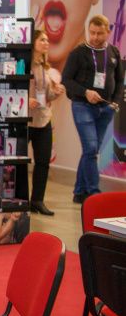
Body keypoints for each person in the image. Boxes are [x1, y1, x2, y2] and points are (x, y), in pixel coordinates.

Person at [62, 14, 124, 203]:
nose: (95, 37)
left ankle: (79, 192)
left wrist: (115, 102)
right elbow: (66, 80)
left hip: (106, 109)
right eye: (92, 33)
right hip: (83, 106)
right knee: (90, 148)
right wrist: (85, 92)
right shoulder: (78, 53)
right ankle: (93, 193)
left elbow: (120, 80)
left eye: (99, 33)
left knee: (91, 150)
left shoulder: (113, 52)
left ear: (108, 32)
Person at [28, 29, 66, 215]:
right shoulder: (23, 64)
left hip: (43, 119)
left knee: (43, 162)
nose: (46, 43)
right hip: (25, 120)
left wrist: (56, 93)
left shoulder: (45, 68)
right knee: (19, 163)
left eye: (47, 40)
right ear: (33, 42)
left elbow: (46, 96)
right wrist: (26, 100)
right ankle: (19, 200)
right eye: (42, 40)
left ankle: (37, 201)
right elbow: (12, 89)